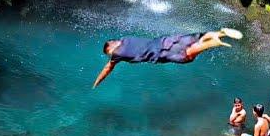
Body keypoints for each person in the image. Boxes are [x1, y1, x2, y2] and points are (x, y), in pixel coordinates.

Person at [93, 28, 242, 88]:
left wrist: (97, 82)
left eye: (109, 53)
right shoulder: (126, 38)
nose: (110, 55)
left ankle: (211, 43)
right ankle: (219, 33)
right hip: (165, 40)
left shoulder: (116, 54)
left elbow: (107, 68)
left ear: (110, 49)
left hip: (161, 53)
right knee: (195, 38)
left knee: (187, 56)